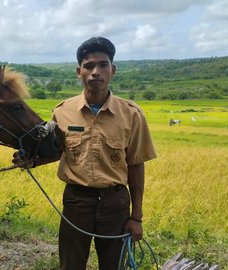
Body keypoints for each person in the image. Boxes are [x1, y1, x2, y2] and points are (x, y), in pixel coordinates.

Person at [16, 37, 157, 269]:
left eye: (103, 65)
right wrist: (31, 161)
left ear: (113, 70)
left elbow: (136, 164)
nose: (95, 72)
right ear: (78, 71)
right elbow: (57, 151)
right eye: (89, 66)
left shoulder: (131, 114)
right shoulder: (62, 112)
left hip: (115, 203)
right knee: (71, 265)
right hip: (76, 201)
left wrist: (136, 217)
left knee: (113, 265)